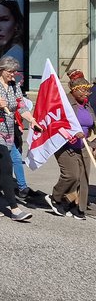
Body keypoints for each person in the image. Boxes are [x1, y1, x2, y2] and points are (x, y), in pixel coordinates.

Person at [0, 56, 40, 220]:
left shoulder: (13, 86)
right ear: (2, 70)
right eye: (11, 71)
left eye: (15, 71)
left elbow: (20, 106)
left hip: (8, 132)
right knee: (6, 166)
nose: (14, 74)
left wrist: (32, 120)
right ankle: (14, 208)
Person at [45, 70, 95, 220]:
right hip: (65, 144)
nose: (87, 94)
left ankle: (77, 206)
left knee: (84, 178)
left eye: (88, 91)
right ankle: (56, 197)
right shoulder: (64, 103)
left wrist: (94, 144)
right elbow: (55, 123)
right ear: (74, 90)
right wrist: (72, 133)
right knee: (72, 175)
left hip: (84, 145)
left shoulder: (87, 106)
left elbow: (93, 123)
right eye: (84, 91)